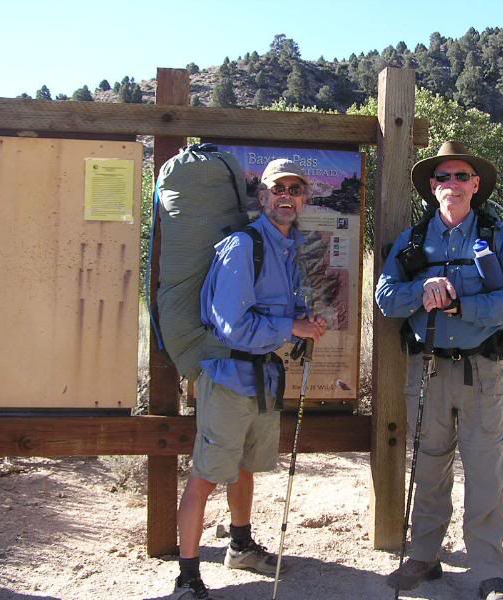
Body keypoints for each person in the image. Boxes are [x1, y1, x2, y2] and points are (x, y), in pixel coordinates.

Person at [375, 141, 503, 600]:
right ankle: (424, 557)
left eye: (462, 177)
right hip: (427, 370)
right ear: (432, 187)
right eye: (444, 178)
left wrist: (462, 304)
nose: (453, 185)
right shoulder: (414, 240)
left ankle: (487, 570)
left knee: (484, 469)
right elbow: (385, 296)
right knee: (428, 465)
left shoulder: (497, 235)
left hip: (481, 370)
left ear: (476, 185)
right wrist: (421, 290)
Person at [173, 158, 327, 599]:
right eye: (278, 189)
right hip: (227, 376)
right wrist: (292, 328)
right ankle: (187, 578)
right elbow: (230, 326)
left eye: (295, 190)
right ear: (262, 197)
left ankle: (240, 547)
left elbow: (273, 311)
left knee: (243, 468)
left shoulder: (288, 246)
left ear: (303, 199)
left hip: (261, 379)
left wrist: (300, 320)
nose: (287, 196)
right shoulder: (245, 247)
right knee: (205, 475)